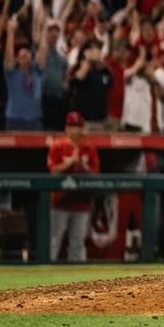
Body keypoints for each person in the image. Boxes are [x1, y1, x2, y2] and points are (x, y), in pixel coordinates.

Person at [47, 111, 99, 262]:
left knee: (77, 244)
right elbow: (53, 171)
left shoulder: (89, 148)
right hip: (60, 202)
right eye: (72, 126)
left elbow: (95, 174)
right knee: (54, 241)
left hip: (81, 203)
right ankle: (45, 275)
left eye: (78, 126)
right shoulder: (57, 146)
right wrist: (69, 163)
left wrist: (83, 167)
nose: (75, 129)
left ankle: (77, 282)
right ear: (66, 128)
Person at [3, 18, 47, 130]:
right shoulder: (12, 73)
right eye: (22, 56)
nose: (25, 57)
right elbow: (8, 55)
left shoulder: (37, 71)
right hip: (14, 121)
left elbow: (43, 50)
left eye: (27, 55)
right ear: (17, 59)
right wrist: (10, 32)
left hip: (34, 121)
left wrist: (44, 30)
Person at [68, 39, 115, 133]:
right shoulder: (78, 67)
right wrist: (87, 60)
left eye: (97, 49)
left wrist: (104, 66)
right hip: (85, 121)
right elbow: (78, 79)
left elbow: (111, 83)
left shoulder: (103, 71)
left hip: (101, 120)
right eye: (92, 49)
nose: (95, 52)